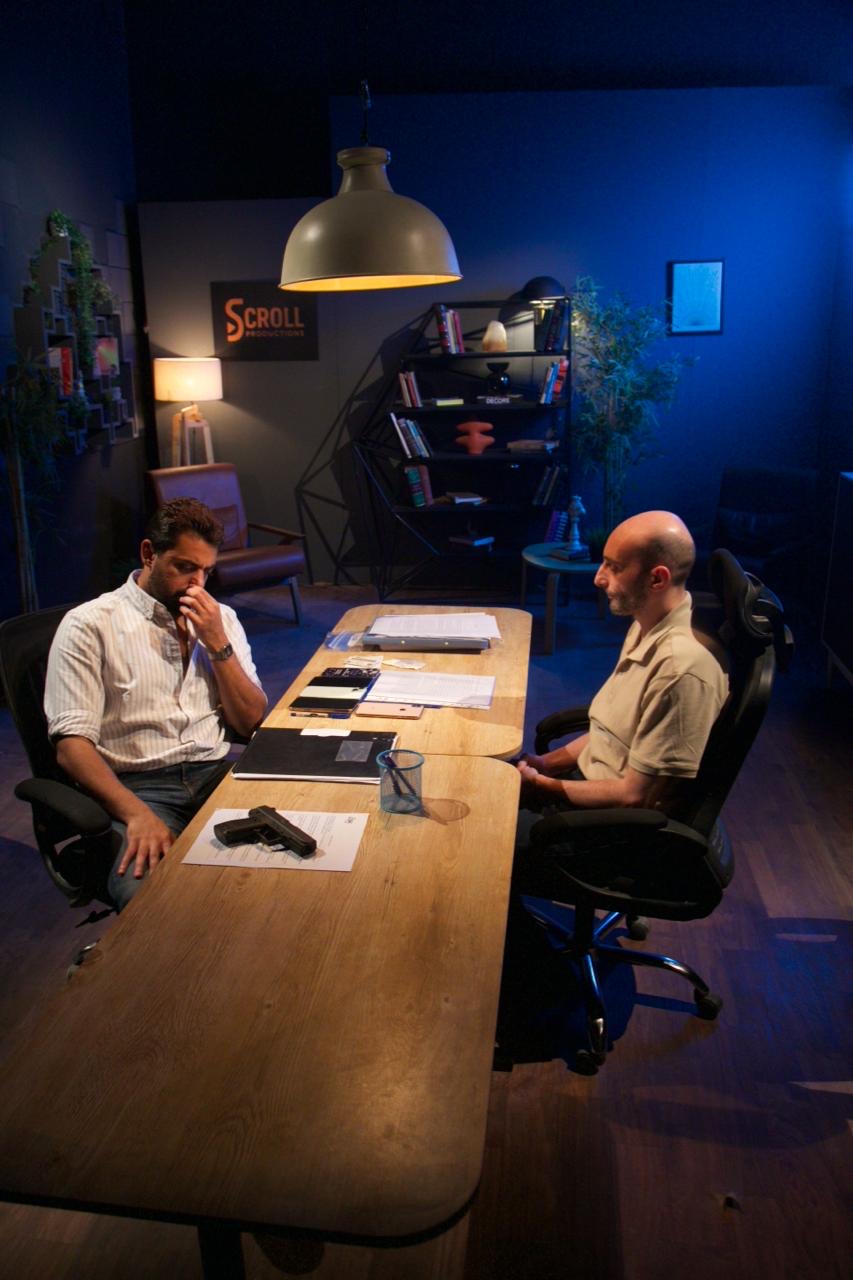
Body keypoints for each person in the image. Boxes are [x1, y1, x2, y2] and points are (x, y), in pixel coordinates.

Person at [45, 498, 268, 909]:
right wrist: (135, 814)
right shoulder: (89, 625)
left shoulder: (220, 620)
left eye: (206, 571)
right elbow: (71, 748)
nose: (197, 584)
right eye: (185, 567)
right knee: (153, 900)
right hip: (138, 788)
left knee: (295, 861)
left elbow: (250, 720)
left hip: (214, 772)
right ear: (149, 554)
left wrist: (217, 643)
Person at [517, 510, 728, 815]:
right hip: (585, 784)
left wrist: (540, 785)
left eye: (614, 567)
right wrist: (544, 764)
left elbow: (635, 797)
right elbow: (611, 735)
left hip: (606, 819)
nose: (598, 578)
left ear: (657, 578)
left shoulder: (680, 670)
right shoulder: (645, 624)